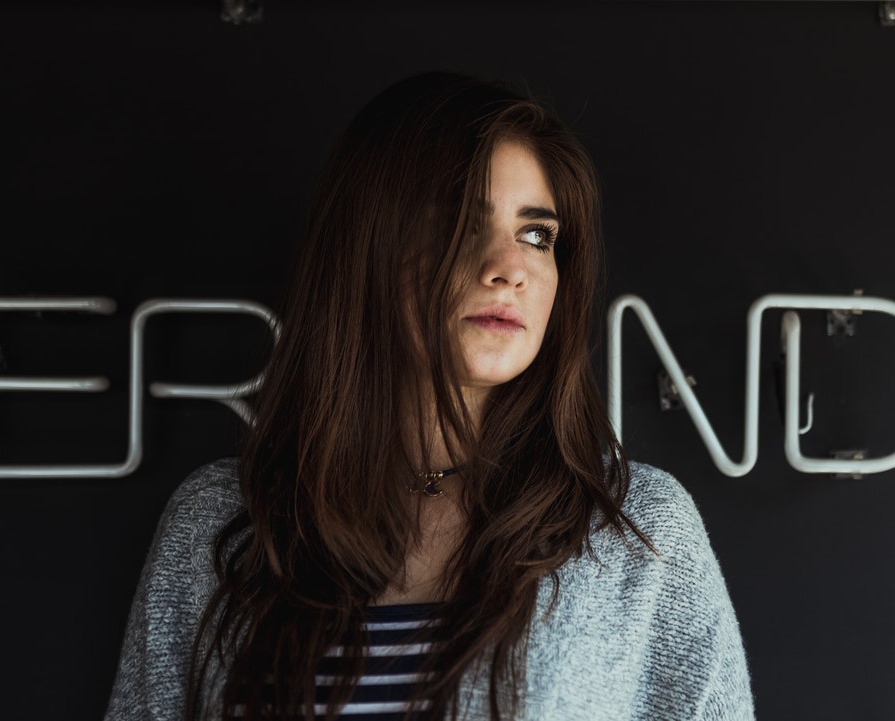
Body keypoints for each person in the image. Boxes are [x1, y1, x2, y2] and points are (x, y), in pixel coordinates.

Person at [103, 71, 754, 720]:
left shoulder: (634, 527)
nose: (510, 267)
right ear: (366, 246)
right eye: (460, 223)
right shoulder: (223, 526)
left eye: (538, 235)